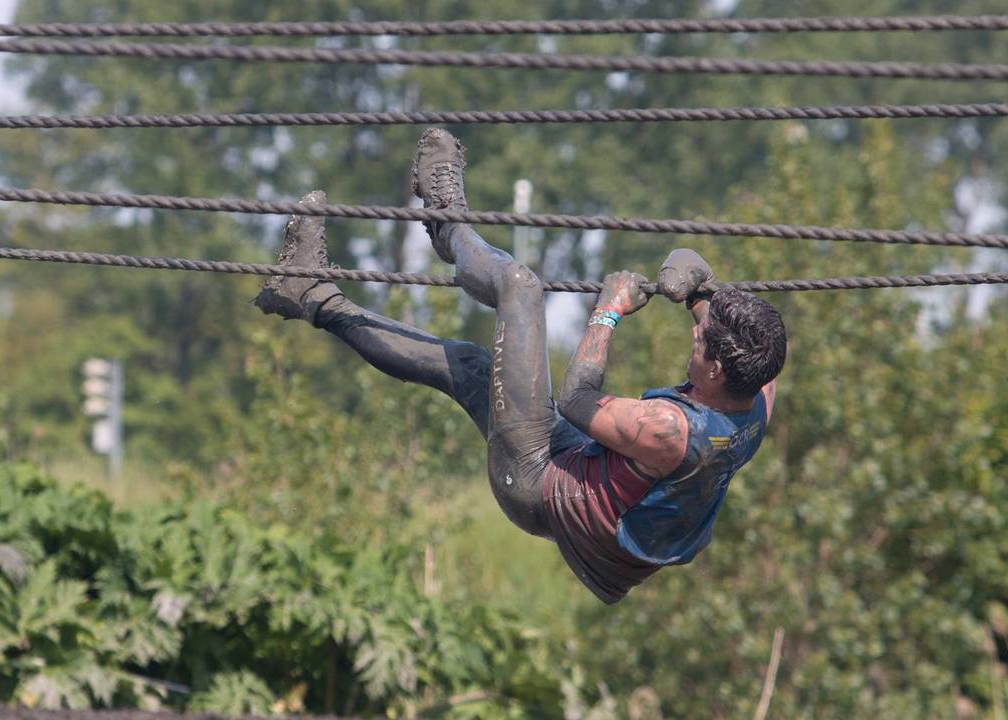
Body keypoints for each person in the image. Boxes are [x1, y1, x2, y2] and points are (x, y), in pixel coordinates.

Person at [253, 128, 787, 604]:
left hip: (535, 480)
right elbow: (745, 346)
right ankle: (310, 294)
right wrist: (703, 291)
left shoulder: (669, 430)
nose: (695, 333)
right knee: (468, 368)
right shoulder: (754, 400)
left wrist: (609, 311)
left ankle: (447, 223)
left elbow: (577, 401)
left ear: (717, 371)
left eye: (700, 339)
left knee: (520, 287)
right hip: (578, 470)